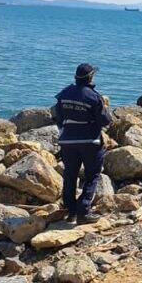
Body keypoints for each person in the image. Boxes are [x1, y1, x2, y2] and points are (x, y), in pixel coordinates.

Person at [53, 63, 113, 225]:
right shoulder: (94, 97)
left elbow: (58, 117)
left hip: (67, 141)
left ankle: (70, 211)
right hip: (90, 142)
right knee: (92, 175)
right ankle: (83, 211)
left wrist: (65, 130)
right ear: (91, 77)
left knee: (70, 175)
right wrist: (106, 109)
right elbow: (105, 121)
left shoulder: (64, 93)